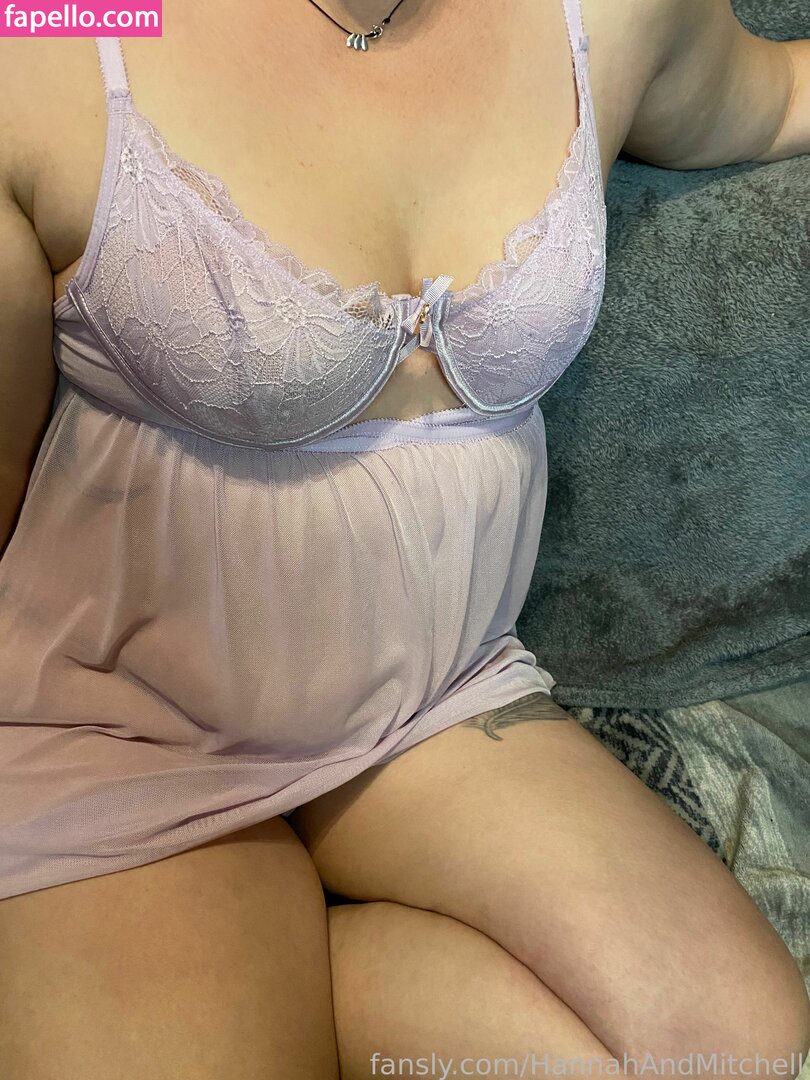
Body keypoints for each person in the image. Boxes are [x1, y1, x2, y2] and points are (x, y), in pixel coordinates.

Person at [0, 0, 808, 1076]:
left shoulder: (610, 11)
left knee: (732, 1050)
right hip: (118, 731)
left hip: (435, 708)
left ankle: (279, 976)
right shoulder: (52, 37)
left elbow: (773, 97)